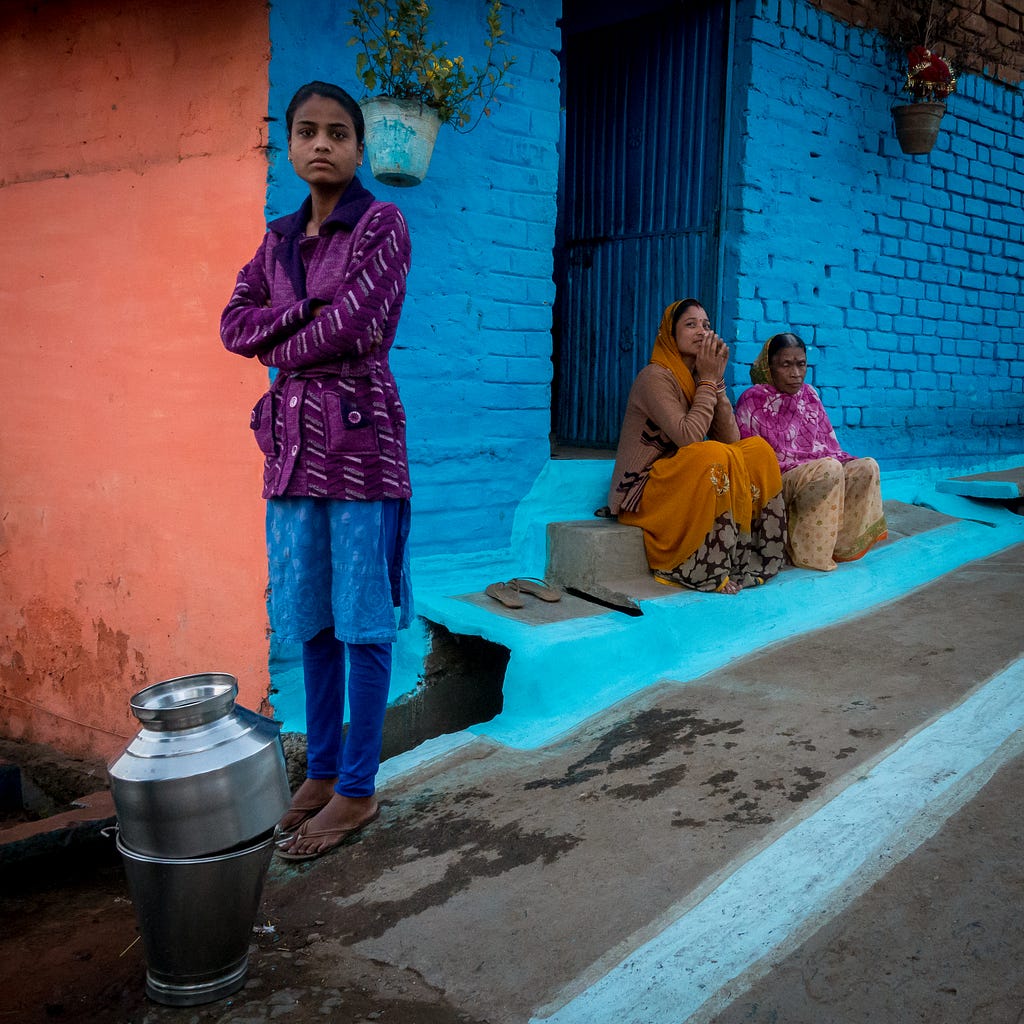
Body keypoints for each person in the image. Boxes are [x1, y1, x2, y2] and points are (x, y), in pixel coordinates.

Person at [220, 81, 413, 861]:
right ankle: (322, 772)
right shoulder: (274, 242)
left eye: (339, 132)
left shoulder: (383, 225)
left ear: (360, 150)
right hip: (294, 452)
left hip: (363, 451)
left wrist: (279, 338)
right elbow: (234, 325)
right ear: (291, 146)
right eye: (308, 131)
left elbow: (358, 327)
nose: (322, 143)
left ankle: (358, 789)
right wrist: (298, 316)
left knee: (362, 618)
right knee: (311, 614)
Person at [606, 300, 787, 594]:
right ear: (670, 335)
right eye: (690, 325)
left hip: (684, 479)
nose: (702, 331)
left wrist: (715, 383)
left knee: (757, 450)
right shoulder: (654, 377)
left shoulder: (699, 379)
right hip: (643, 492)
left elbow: (732, 441)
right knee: (712, 454)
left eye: (706, 324)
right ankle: (704, 565)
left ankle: (753, 556)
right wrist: (706, 380)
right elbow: (689, 438)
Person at [735, 332, 887, 571]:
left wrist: (832, 464)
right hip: (776, 480)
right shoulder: (753, 400)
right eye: (786, 365)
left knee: (867, 466)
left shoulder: (810, 395)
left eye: (801, 364)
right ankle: (809, 555)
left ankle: (840, 546)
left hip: (816, 468)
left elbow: (829, 445)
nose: (795, 373)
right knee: (828, 469)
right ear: (769, 366)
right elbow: (752, 460)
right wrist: (818, 466)